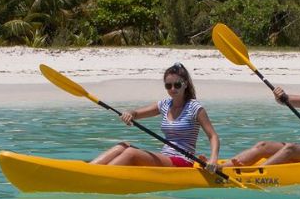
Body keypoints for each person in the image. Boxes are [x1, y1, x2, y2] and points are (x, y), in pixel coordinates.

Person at [90, 62, 221, 170]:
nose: (173, 89)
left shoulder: (194, 107)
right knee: (123, 146)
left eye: (177, 85)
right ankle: (91, 169)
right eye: (168, 86)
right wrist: (129, 114)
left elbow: (213, 136)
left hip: (183, 161)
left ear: (185, 84)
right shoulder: (164, 104)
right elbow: (136, 113)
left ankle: (100, 176)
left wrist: (213, 159)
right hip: (165, 157)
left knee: (131, 153)